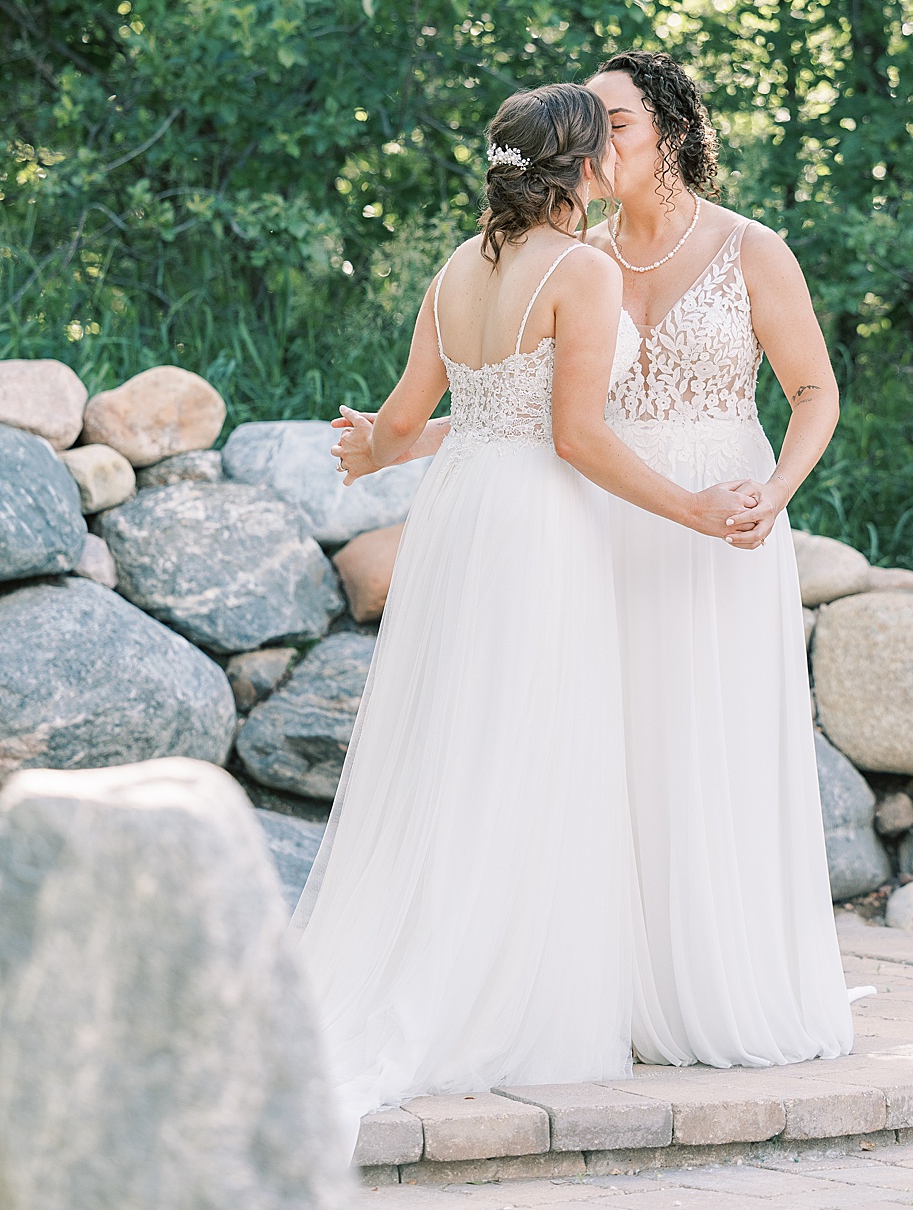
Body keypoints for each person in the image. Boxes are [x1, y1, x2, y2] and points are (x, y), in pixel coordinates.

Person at [290, 82, 757, 1159]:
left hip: (460, 516)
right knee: (539, 741)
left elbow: (406, 422)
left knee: (460, 741)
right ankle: (505, 993)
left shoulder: (458, 268)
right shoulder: (583, 271)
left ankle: (443, 952)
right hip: (542, 522)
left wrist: (367, 448)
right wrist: (694, 509)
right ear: (581, 171)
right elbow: (580, 439)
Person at [587, 49, 857, 1068]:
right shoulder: (580, 256)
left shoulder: (752, 248)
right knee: (617, 748)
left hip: (731, 521)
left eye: (615, 120)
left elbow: (814, 391)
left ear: (670, 129)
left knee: (717, 742)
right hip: (612, 518)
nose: (595, 140)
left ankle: (728, 978)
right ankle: (617, 986)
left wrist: (776, 495)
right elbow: (535, 410)